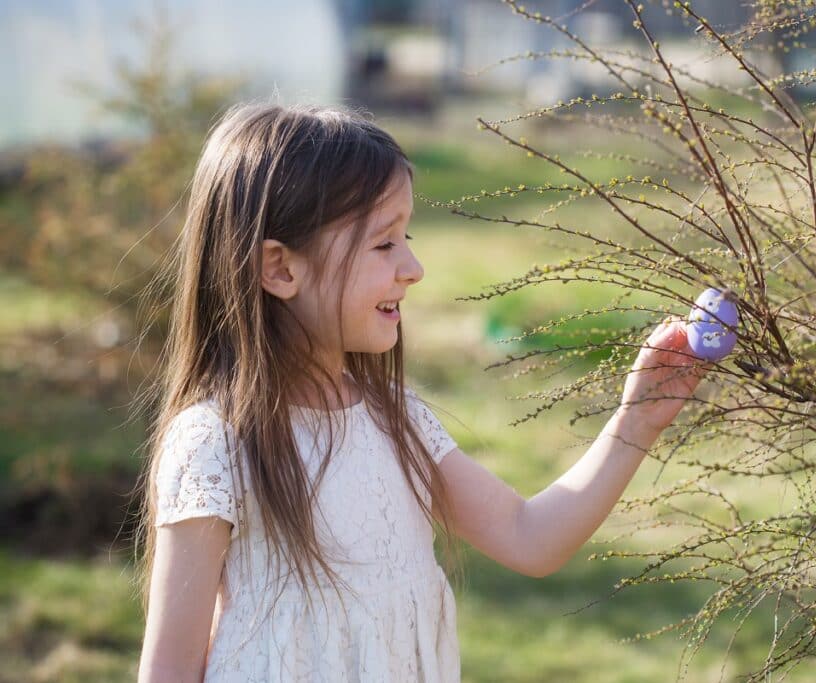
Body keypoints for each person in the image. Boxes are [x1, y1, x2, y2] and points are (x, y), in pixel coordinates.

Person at [135, 102, 707, 683]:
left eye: (404, 237)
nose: (413, 267)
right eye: (383, 245)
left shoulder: (397, 421)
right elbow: (169, 670)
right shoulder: (216, 442)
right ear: (281, 270)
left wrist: (637, 421)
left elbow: (530, 537)